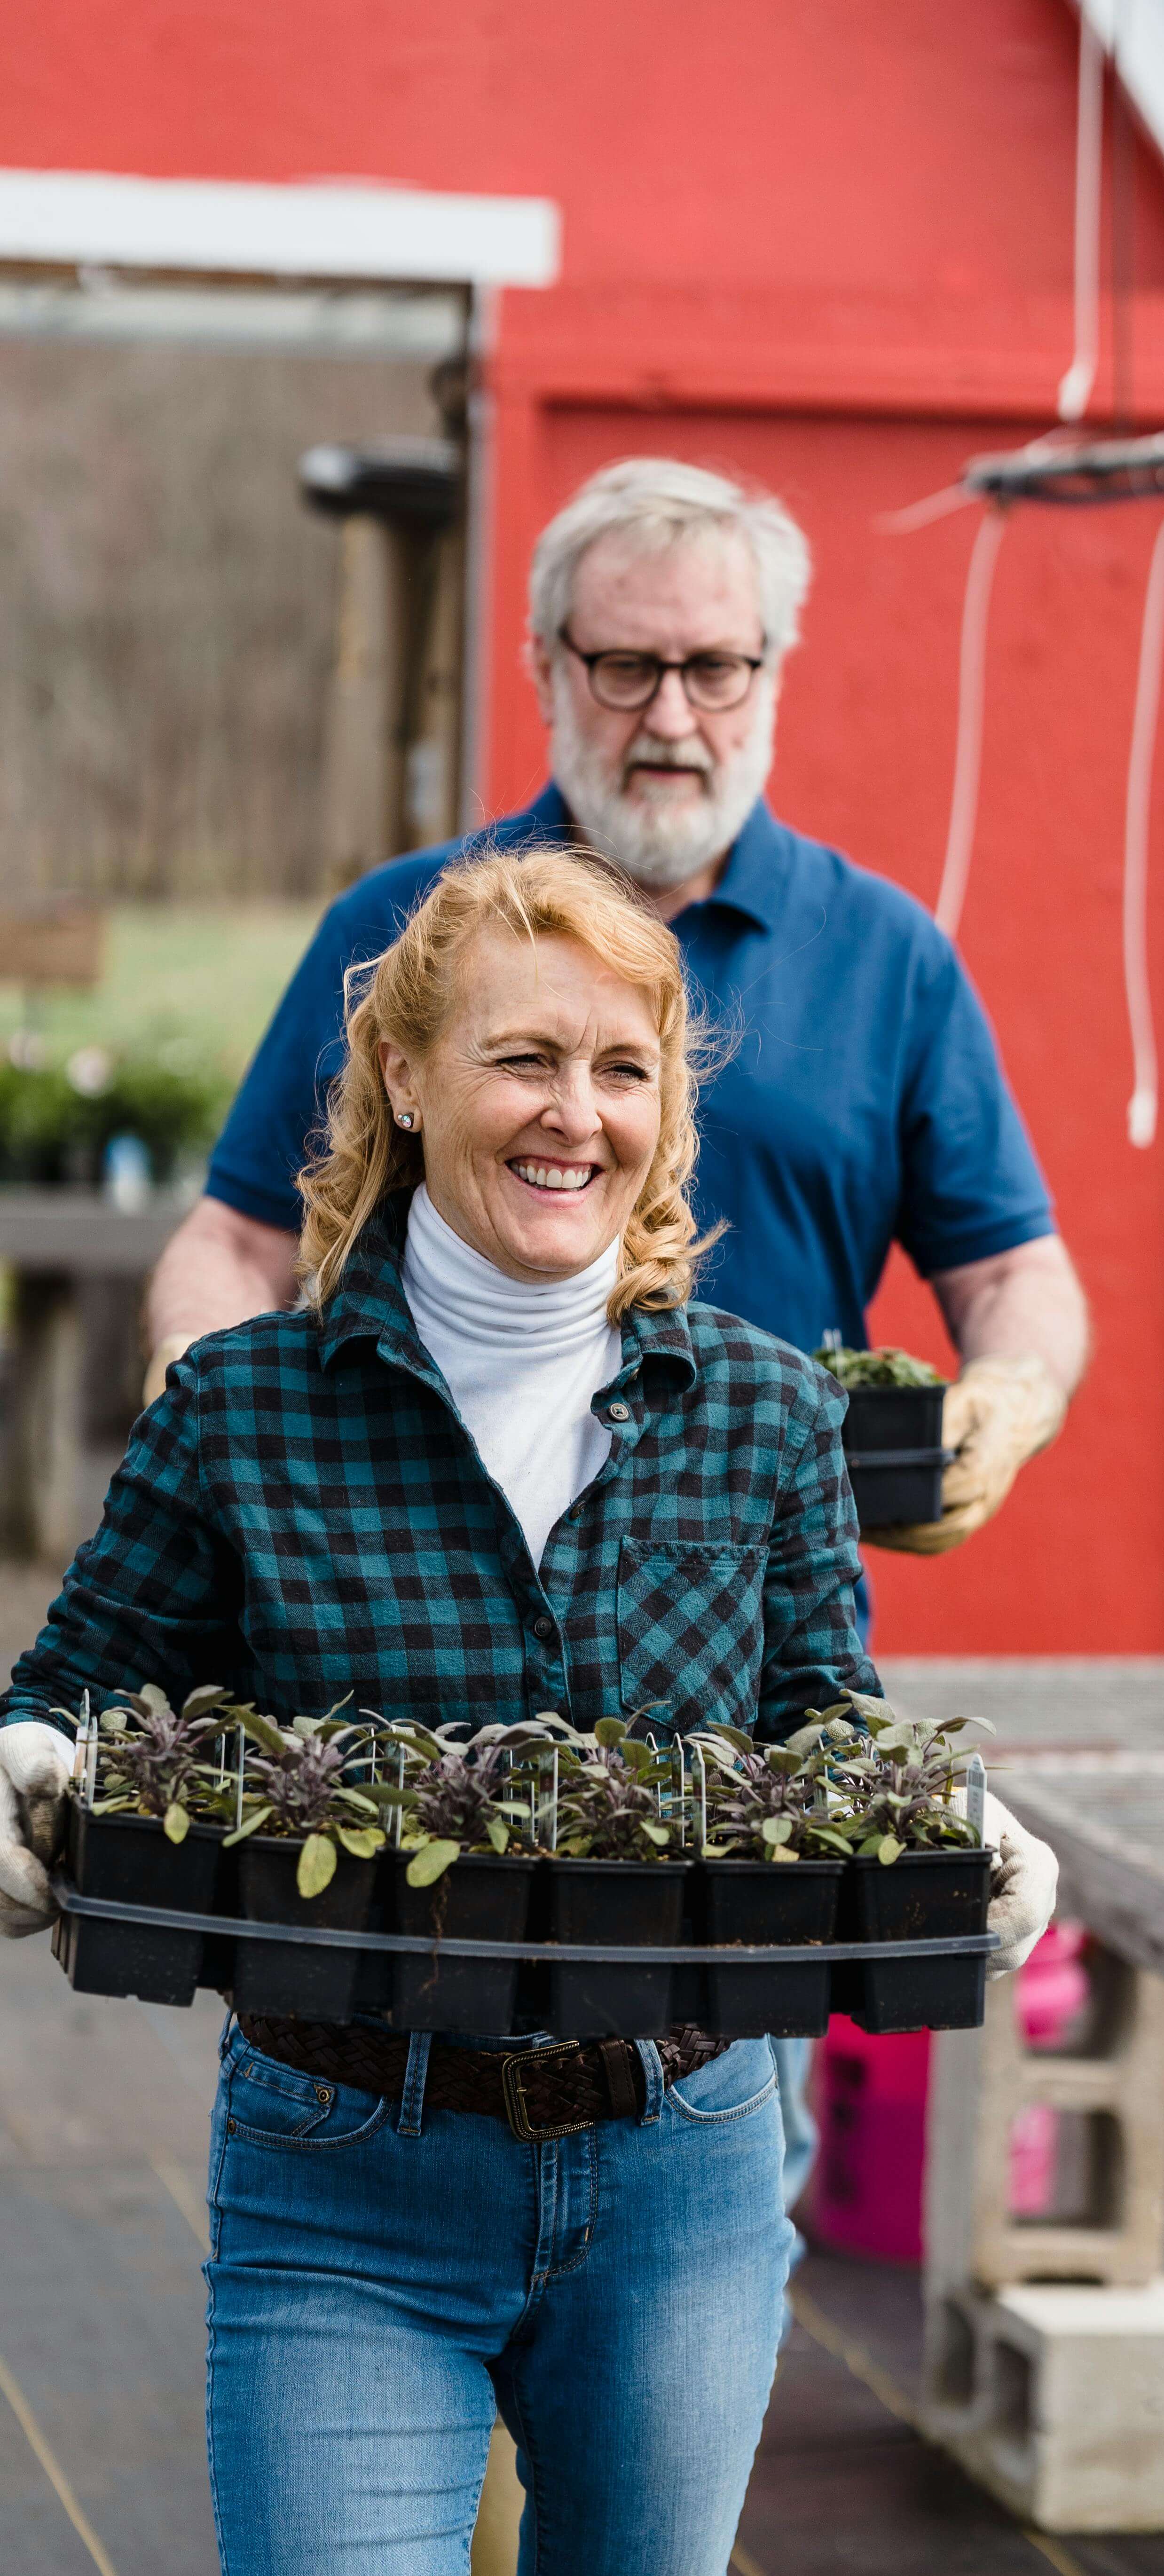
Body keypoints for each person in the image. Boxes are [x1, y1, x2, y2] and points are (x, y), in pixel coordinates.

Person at [0, 850, 1058, 2575]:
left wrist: (957, 1832)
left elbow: (819, 1715)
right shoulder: (247, 1407)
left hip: (685, 2165)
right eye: (523, 1060)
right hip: (345, 2159)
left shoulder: (765, 1412)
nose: (576, 1115)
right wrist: (27, 1768)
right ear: (406, 1082)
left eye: (621, 1069)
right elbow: (73, 1681)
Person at [138, 452, 1080, 2213]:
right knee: (384, 2106)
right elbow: (236, 1239)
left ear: (774, 676)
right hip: (402, 1675)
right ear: (546, 664)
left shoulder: (882, 958)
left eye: (716, 666)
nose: (670, 714)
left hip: (729, 1700)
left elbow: (1017, 1266)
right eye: (623, 665)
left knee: (717, 2169)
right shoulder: (403, 935)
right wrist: (217, 1419)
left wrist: (1006, 1406)